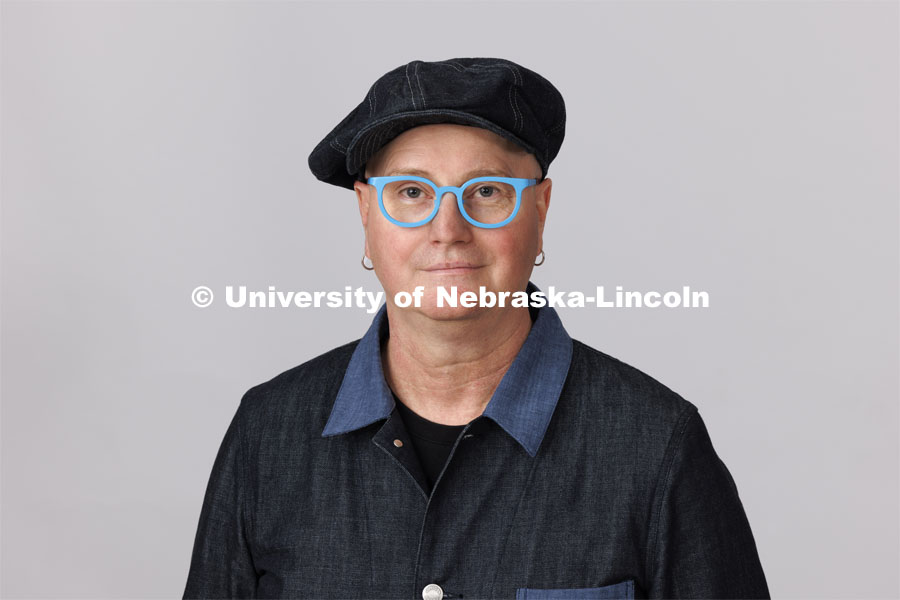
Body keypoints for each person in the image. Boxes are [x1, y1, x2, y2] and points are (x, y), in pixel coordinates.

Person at [183, 57, 770, 599]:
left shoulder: (656, 446)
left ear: (540, 212)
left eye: (486, 191)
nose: (448, 228)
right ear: (366, 215)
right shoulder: (269, 434)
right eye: (411, 192)